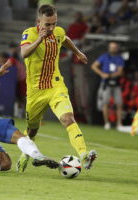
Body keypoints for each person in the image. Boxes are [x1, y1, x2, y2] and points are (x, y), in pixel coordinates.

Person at [17, 4, 97, 172]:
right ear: (39, 22)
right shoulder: (29, 33)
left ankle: (84, 155)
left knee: (68, 118)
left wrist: (77, 52)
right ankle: (25, 154)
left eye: (54, 23)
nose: (52, 27)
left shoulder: (58, 32)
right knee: (31, 131)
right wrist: (39, 39)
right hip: (35, 92)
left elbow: (65, 39)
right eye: (48, 24)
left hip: (55, 86)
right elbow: (24, 53)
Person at [91, 42, 124, 130]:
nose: (113, 49)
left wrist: (110, 75)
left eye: (115, 47)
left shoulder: (119, 58)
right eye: (111, 47)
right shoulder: (104, 56)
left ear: (117, 48)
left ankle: (119, 124)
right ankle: (107, 123)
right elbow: (94, 66)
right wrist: (102, 74)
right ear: (109, 48)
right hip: (105, 83)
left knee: (119, 103)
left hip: (116, 83)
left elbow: (120, 72)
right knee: (105, 103)